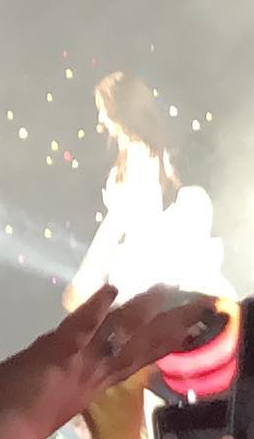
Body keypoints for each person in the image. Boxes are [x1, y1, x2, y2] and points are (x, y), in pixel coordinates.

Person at [67, 69, 232, 309]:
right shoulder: (143, 154)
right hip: (144, 266)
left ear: (118, 109)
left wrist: (84, 281)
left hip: (144, 266)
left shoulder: (140, 156)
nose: (100, 118)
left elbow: (118, 223)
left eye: (103, 109)